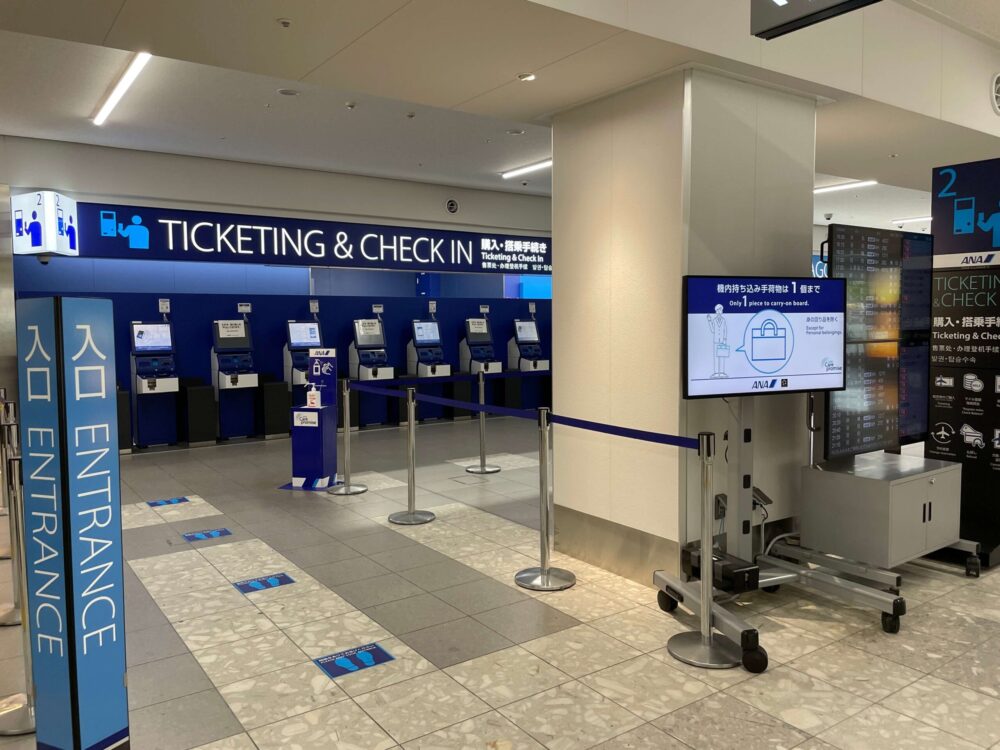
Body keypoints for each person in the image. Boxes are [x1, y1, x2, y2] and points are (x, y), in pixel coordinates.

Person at [707, 304, 728, 378]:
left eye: (721, 310)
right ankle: (716, 373)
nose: (720, 312)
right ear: (716, 311)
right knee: (716, 357)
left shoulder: (724, 320)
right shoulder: (714, 320)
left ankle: (722, 372)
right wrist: (709, 321)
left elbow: (725, 330)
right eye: (718, 310)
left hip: (722, 341)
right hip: (716, 341)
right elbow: (712, 330)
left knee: (722, 356)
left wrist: (725, 339)